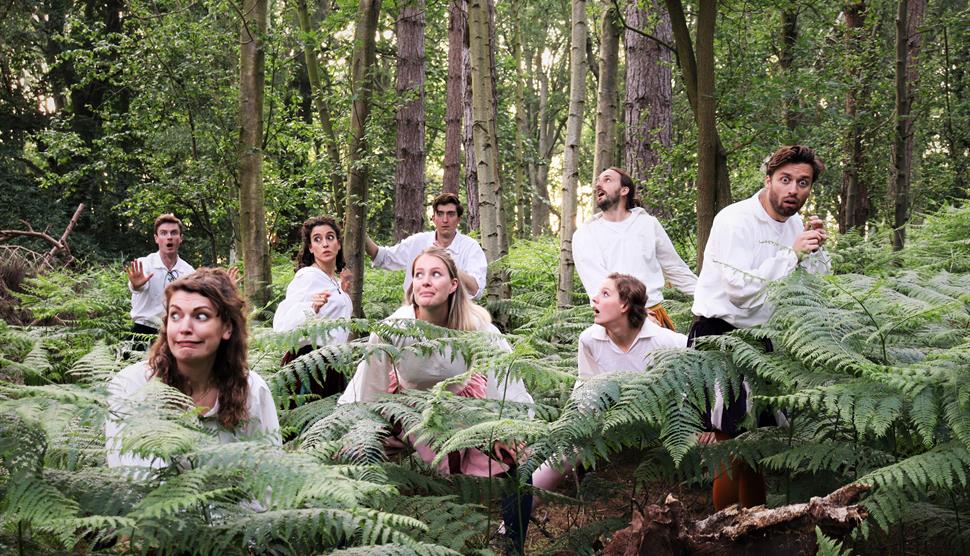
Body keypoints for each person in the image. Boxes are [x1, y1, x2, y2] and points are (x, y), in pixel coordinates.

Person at [338, 247, 533, 552]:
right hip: (402, 404)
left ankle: (512, 543)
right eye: (419, 275)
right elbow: (370, 383)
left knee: (520, 460)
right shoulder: (394, 327)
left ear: (453, 284)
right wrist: (362, 430)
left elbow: (503, 380)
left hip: (461, 405)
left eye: (435, 274)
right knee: (356, 457)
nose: (425, 282)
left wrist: (506, 430)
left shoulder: (477, 325)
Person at [689, 144, 830, 510]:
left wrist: (813, 252)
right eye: (785, 180)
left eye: (803, 182)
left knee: (758, 448)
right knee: (729, 446)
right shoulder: (735, 219)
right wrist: (792, 254)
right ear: (768, 179)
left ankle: (756, 533)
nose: (794, 190)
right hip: (721, 337)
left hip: (765, 343)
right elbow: (740, 290)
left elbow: (811, 285)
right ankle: (722, 538)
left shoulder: (795, 225)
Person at [106, 268, 280, 470]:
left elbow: (269, 477)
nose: (185, 328)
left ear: (227, 328)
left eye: (201, 316)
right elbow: (128, 482)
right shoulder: (131, 386)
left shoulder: (252, 390)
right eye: (175, 315)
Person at [532, 273, 687, 499]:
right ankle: (511, 523)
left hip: (663, 421)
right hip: (608, 421)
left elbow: (699, 375)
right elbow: (587, 385)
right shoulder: (589, 340)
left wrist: (705, 424)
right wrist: (572, 425)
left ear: (624, 304)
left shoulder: (667, 341)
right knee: (558, 458)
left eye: (605, 294)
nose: (594, 299)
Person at [572, 167, 697, 330]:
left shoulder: (648, 224)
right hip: (615, 321)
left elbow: (675, 268)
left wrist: (710, 295)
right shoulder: (585, 234)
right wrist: (638, 314)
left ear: (624, 190)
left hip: (655, 319)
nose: (598, 185)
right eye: (598, 181)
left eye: (607, 180)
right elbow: (597, 284)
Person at [273, 216, 353, 398]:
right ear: (310, 247)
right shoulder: (307, 276)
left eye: (330, 237)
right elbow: (282, 326)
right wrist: (311, 309)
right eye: (317, 239)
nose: (325, 244)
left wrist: (343, 292)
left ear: (338, 244)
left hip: (333, 364)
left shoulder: (332, 281)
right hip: (311, 365)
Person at [365, 193, 487, 299]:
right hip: (415, 317)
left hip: (454, 318)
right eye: (440, 214)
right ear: (433, 218)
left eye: (450, 214)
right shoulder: (418, 242)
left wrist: (448, 261)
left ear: (458, 219)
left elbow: (476, 290)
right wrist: (361, 234)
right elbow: (383, 257)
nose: (445, 220)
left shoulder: (470, 247)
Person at [126, 214, 195, 336]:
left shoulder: (188, 272)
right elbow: (137, 287)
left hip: (174, 332)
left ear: (180, 238)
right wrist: (136, 285)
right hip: (142, 331)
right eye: (163, 233)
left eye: (174, 233)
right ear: (156, 238)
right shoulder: (144, 264)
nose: (169, 237)